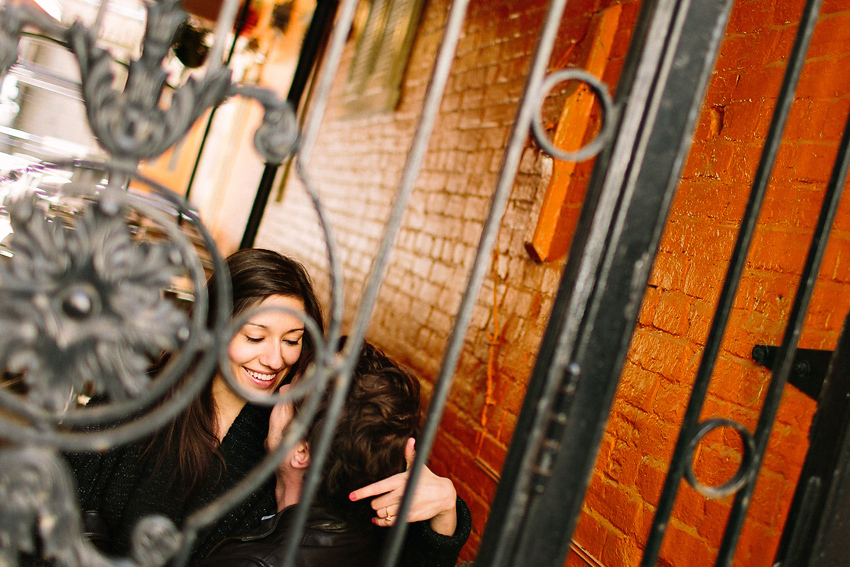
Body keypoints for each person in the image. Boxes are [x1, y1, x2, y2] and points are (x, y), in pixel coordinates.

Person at [65, 248, 326, 562]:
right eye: (255, 337)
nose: (274, 359)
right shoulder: (127, 404)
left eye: (291, 340)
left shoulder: (284, 440)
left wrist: (402, 497)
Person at [197, 342, 471, 567]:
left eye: (296, 392)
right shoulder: (370, 530)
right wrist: (445, 517)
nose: (283, 388)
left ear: (302, 450)